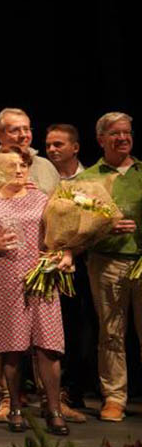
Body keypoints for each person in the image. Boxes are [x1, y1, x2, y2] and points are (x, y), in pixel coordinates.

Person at [0, 149, 71, 436]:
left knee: (48, 345)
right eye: (11, 165)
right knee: (12, 347)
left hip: (40, 277)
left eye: (23, 164)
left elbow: (60, 235)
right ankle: (15, 406)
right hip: (3, 278)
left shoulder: (43, 199)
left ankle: (52, 409)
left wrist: (62, 254)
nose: (19, 170)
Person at [82, 112, 141, 422]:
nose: (122, 138)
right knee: (112, 333)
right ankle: (115, 397)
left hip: (141, 260)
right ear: (101, 139)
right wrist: (105, 229)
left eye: (127, 132)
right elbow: (76, 228)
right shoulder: (87, 178)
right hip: (106, 263)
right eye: (115, 133)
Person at [44, 123, 92, 415]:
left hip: (79, 263)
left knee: (75, 328)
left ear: (75, 147)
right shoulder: (40, 177)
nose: (52, 149)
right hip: (44, 262)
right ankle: (46, 390)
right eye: (49, 145)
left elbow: (94, 221)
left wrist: (72, 250)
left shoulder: (89, 181)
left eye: (58, 144)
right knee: (47, 331)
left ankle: (72, 390)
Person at [0, 108, 60, 195]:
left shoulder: (46, 166)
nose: (23, 135)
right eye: (15, 130)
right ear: (0, 135)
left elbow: (61, 200)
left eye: (26, 129)